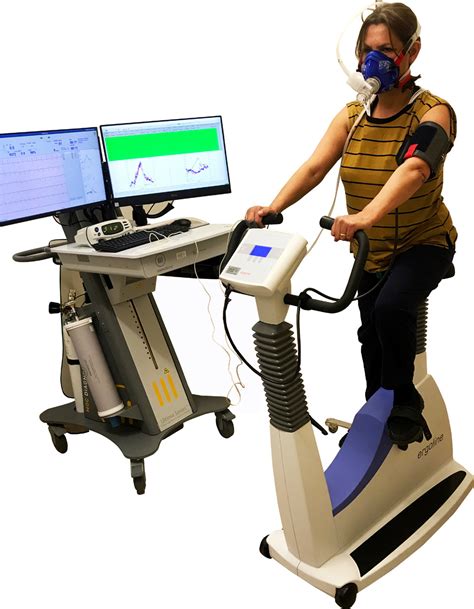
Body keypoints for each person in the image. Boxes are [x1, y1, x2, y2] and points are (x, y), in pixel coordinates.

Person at [245, 2, 457, 447]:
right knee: (370, 334)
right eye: (367, 50)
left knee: (391, 309)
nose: (373, 60)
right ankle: (376, 412)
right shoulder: (352, 115)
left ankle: (405, 405)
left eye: (387, 50)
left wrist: (364, 216)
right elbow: (314, 167)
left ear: (412, 52)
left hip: (424, 242)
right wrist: (273, 206)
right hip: (371, 250)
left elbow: (416, 168)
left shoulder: (433, 112)